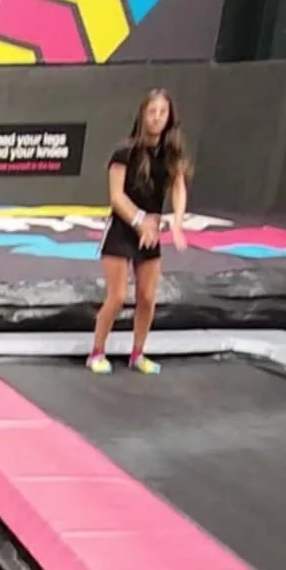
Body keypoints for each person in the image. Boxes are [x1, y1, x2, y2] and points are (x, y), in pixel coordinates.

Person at [87, 88, 189, 375]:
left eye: (162, 112)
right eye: (152, 112)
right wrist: (140, 221)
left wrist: (177, 223)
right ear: (143, 115)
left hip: (150, 232)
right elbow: (116, 198)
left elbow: (179, 187)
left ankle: (138, 353)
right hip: (123, 228)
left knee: (147, 297)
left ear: (170, 118)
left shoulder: (172, 154)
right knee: (117, 297)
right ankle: (96, 351)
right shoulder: (125, 152)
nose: (156, 118)